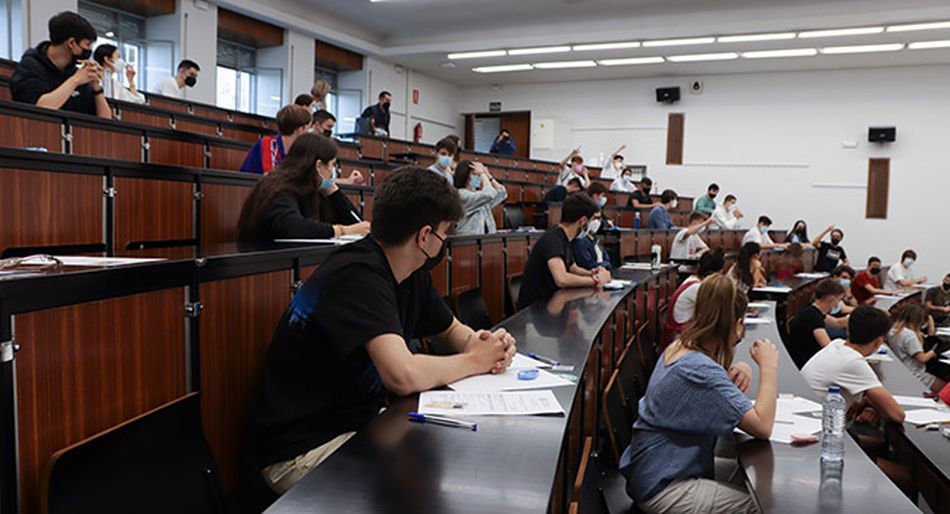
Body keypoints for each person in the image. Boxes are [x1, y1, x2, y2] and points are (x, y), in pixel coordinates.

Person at [248, 166, 517, 494]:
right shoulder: (357, 274)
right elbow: (401, 375)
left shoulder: (410, 271)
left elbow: (452, 331)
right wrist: (476, 360)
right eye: (445, 235)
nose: (445, 244)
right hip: (303, 450)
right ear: (424, 237)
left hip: (359, 424)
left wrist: (487, 345)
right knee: (418, 491)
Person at [621, 275, 778, 514]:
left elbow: (712, 384)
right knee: (760, 506)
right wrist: (768, 366)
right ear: (736, 324)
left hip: (652, 470)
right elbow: (762, 425)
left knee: (747, 478)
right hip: (664, 487)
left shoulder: (680, 346)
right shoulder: (700, 370)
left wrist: (743, 368)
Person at [236, 134, 371, 243]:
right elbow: (293, 227)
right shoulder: (277, 188)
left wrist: (332, 190)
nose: (333, 171)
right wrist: (343, 231)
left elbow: (357, 224)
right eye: (332, 165)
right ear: (318, 166)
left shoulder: (313, 189)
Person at [802, 306, 904, 421]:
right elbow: (897, 415)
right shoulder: (853, 362)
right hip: (822, 428)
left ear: (848, 329)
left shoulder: (836, 344)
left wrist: (867, 403)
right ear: (879, 342)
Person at [11, 11, 112, 119]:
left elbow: (105, 120)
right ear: (71, 43)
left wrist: (96, 88)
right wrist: (75, 80)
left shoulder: (76, 72)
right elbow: (41, 107)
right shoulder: (30, 66)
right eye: (87, 44)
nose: (89, 50)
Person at [518, 193, 611, 309]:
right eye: (592, 219)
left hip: (551, 306)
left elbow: (573, 268)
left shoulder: (566, 238)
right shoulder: (553, 239)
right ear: (582, 221)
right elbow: (561, 279)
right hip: (534, 312)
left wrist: (593, 272)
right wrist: (596, 281)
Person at [659, 249, 726, 352]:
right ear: (719, 273)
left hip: (681, 336)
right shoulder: (698, 288)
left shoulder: (692, 279)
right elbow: (714, 314)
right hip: (677, 342)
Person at [787, 279, 847, 368]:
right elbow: (827, 346)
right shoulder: (812, 316)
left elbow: (837, 323)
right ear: (831, 300)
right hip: (807, 361)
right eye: (839, 300)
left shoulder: (813, 310)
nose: (839, 303)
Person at [888, 304, 945, 392]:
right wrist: (934, 351)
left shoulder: (892, 330)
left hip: (901, 369)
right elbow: (922, 358)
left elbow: (930, 334)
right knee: (945, 388)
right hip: (915, 373)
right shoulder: (910, 335)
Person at [240, 104, 312, 175]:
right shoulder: (267, 144)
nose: (309, 133)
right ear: (299, 129)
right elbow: (270, 178)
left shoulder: (302, 151)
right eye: (307, 129)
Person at [453, 160, 507, 236]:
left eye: (478, 175)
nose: (478, 177)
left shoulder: (478, 194)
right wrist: (482, 173)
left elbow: (502, 193)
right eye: (474, 174)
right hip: (468, 241)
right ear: (464, 175)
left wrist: (488, 175)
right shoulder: (461, 194)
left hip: (486, 240)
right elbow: (489, 194)